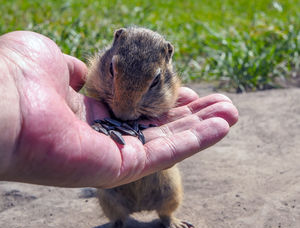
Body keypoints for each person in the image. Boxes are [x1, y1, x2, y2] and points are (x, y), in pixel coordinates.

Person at [0, 31, 238, 188]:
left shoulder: (166, 79)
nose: (123, 109)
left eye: (154, 82)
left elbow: (168, 98)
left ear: (168, 56)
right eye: (113, 71)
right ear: (116, 41)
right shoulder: (102, 66)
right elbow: (91, 86)